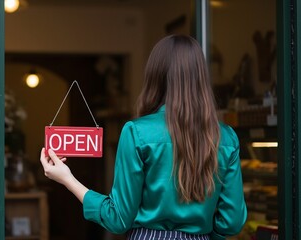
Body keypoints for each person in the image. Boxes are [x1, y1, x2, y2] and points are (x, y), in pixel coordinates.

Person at [40, 34, 247, 240]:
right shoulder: (227, 138)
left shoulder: (136, 132)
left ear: (155, 76)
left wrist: (67, 179)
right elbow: (232, 221)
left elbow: (118, 218)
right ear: (201, 77)